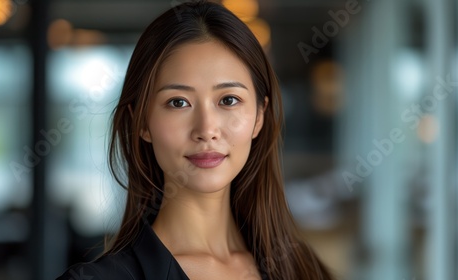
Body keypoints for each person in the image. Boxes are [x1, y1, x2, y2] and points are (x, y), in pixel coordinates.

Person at [57, 1, 334, 279]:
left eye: (228, 100)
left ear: (259, 116)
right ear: (141, 122)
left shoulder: (304, 270)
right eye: (178, 102)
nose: (206, 129)